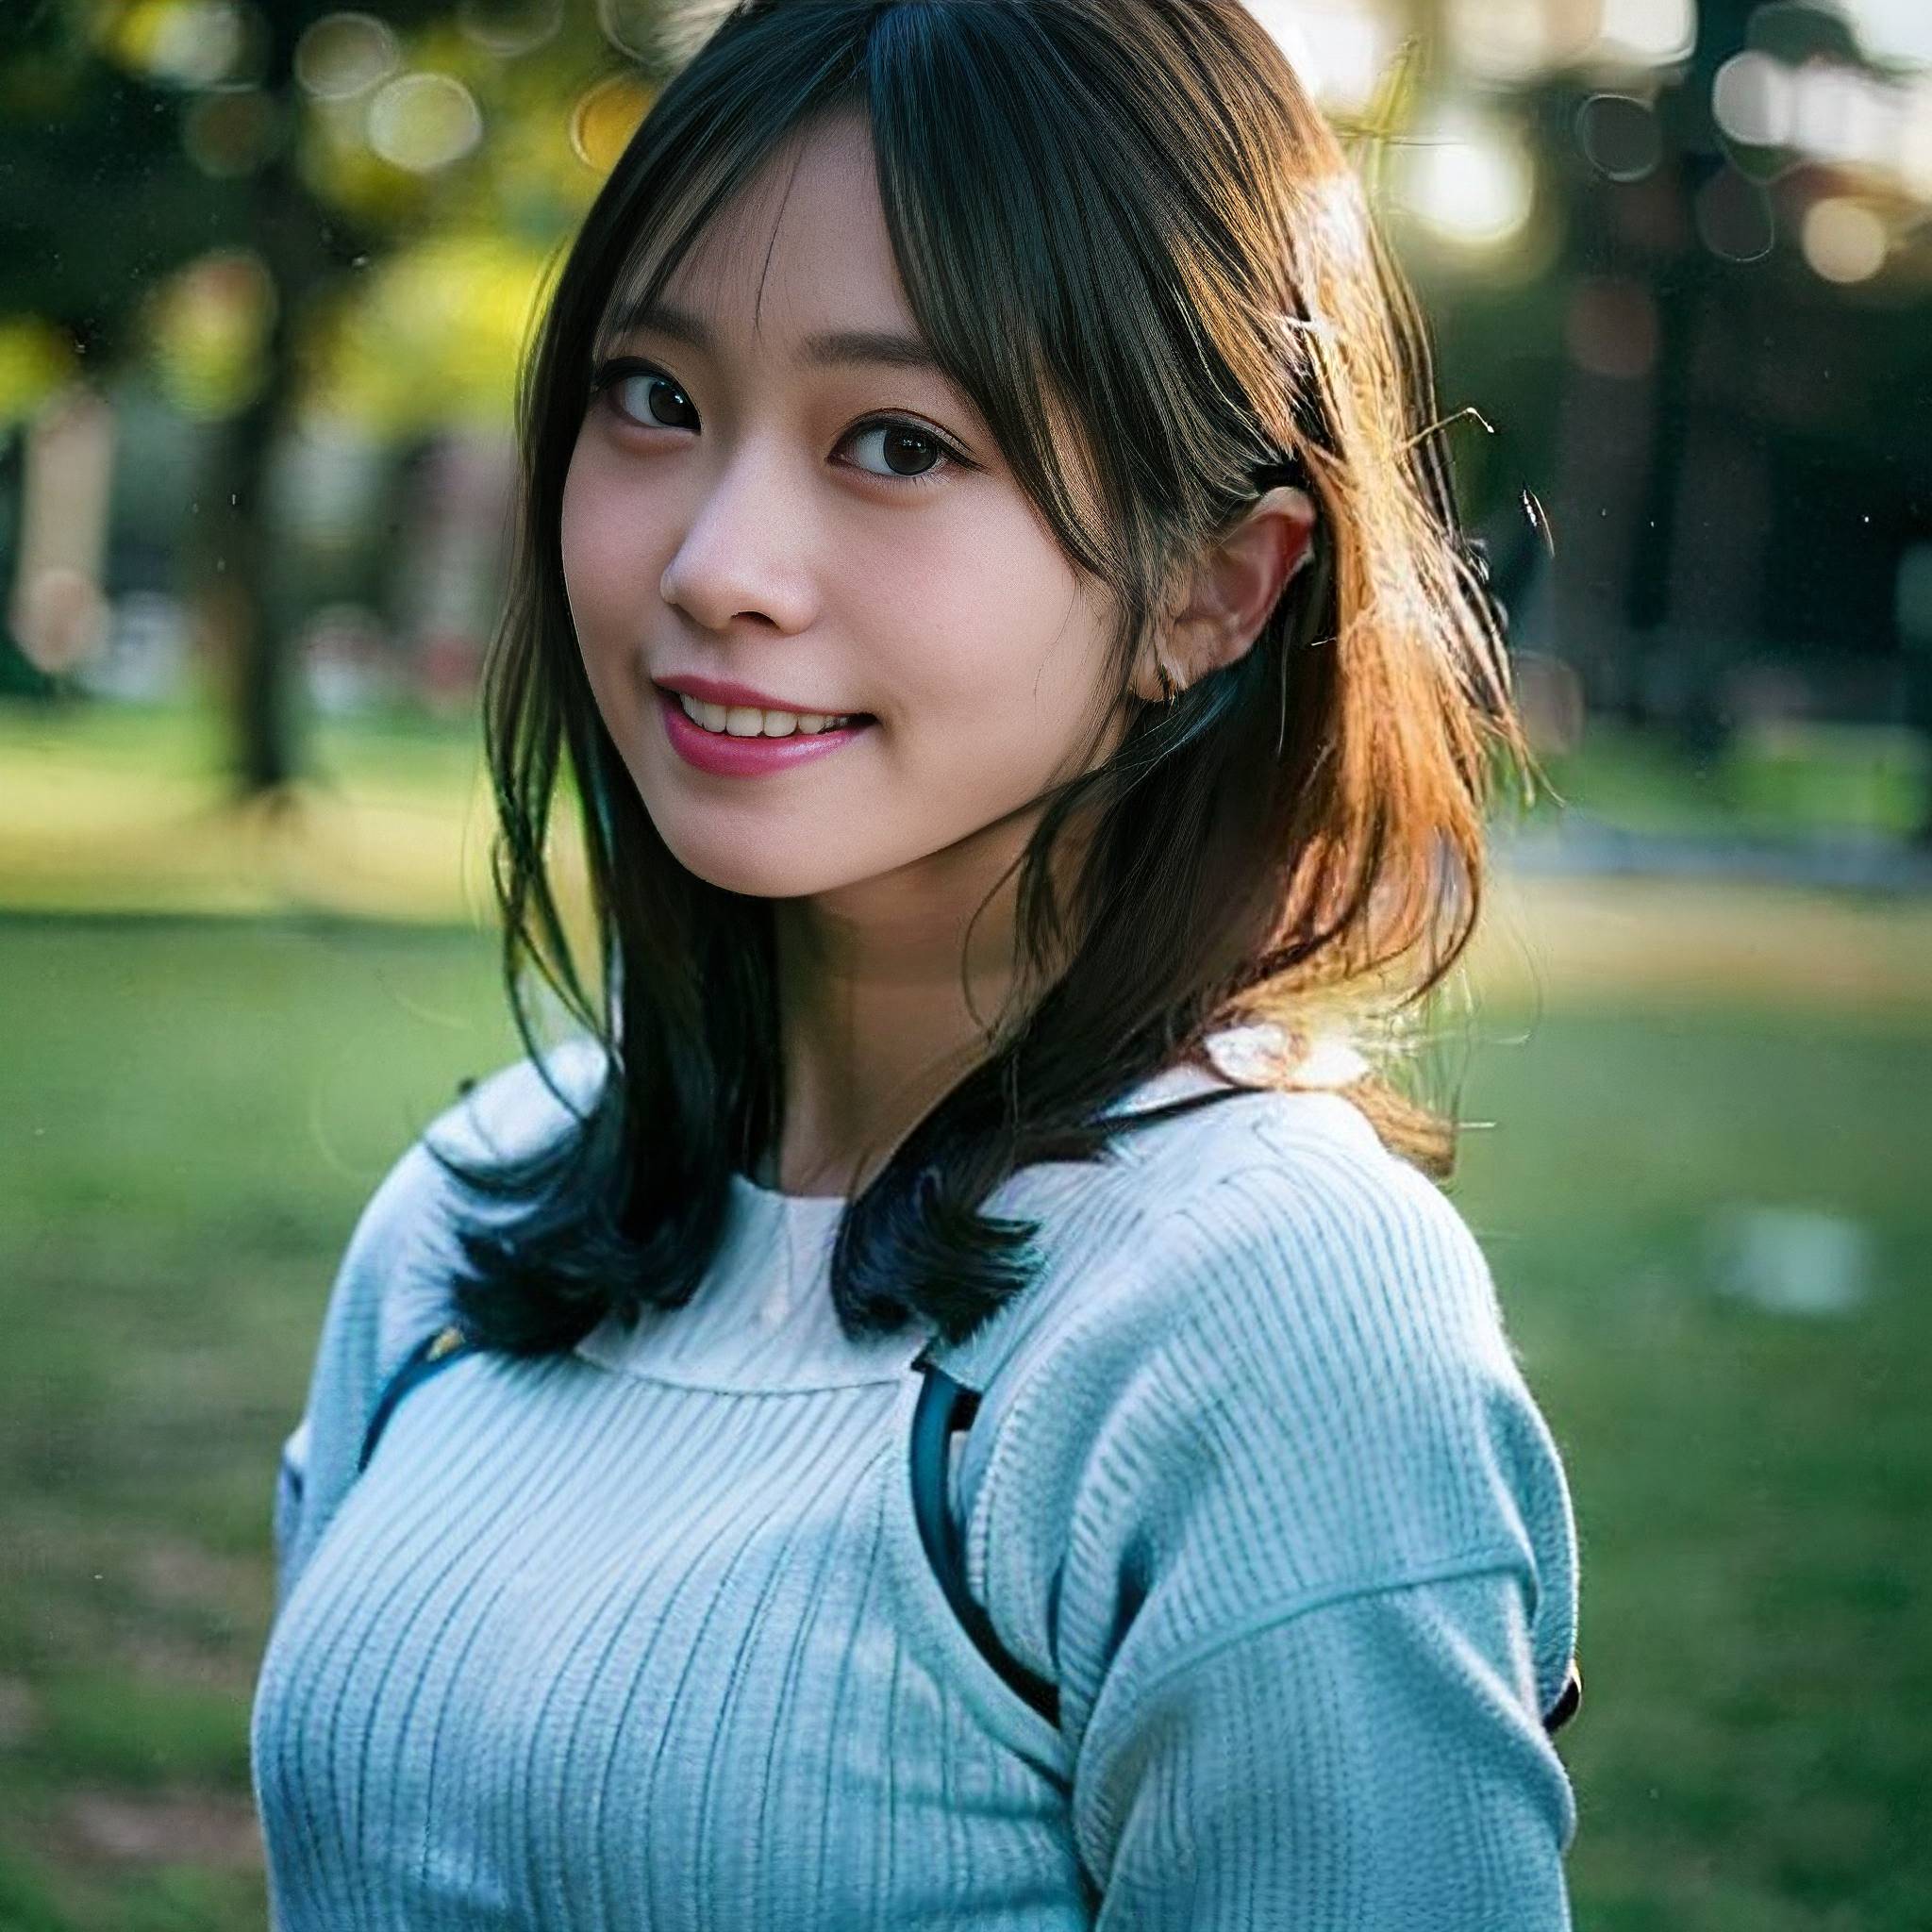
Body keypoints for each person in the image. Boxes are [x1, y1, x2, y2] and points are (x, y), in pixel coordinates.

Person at [250, 2, 1583, 1925]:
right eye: (654, 398)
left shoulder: (1268, 1322)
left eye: (898, 443)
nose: (718, 565)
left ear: (1214, 588)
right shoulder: (465, 1216)